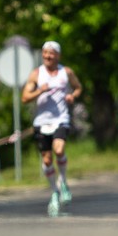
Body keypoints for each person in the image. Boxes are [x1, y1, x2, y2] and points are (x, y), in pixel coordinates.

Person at [21, 40, 83, 216]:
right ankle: (54, 191)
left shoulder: (66, 72)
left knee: (59, 148)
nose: (48, 56)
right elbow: (25, 97)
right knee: (47, 160)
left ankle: (63, 181)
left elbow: (78, 87)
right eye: (45, 53)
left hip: (61, 119)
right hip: (41, 122)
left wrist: (72, 96)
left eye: (51, 53)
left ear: (58, 55)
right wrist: (39, 91)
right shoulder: (36, 74)